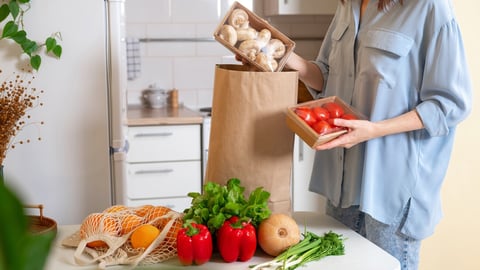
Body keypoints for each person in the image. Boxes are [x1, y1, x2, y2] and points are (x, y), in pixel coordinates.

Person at [284, 0, 472, 269]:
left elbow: (450, 103)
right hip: (342, 182)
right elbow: (327, 76)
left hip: (391, 187)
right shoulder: (348, 6)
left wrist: (374, 130)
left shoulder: (429, 7)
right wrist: (285, 57)